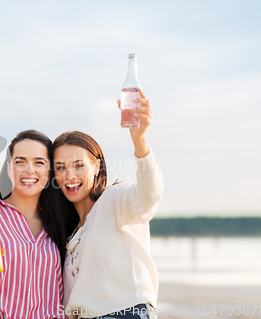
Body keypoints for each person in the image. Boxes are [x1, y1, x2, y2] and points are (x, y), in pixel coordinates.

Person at [53, 91, 163, 319]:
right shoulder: (71, 233)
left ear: (96, 167)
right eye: (61, 167)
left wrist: (139, 142)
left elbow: (148, 198)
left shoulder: (114, 200)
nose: (69, 175)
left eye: (78, 165)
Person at [0, 130, 67, 319]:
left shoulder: (58, 223)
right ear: (9, 168)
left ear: (50, 171)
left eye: (39, 162)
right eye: (20, 161)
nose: (29, 170)